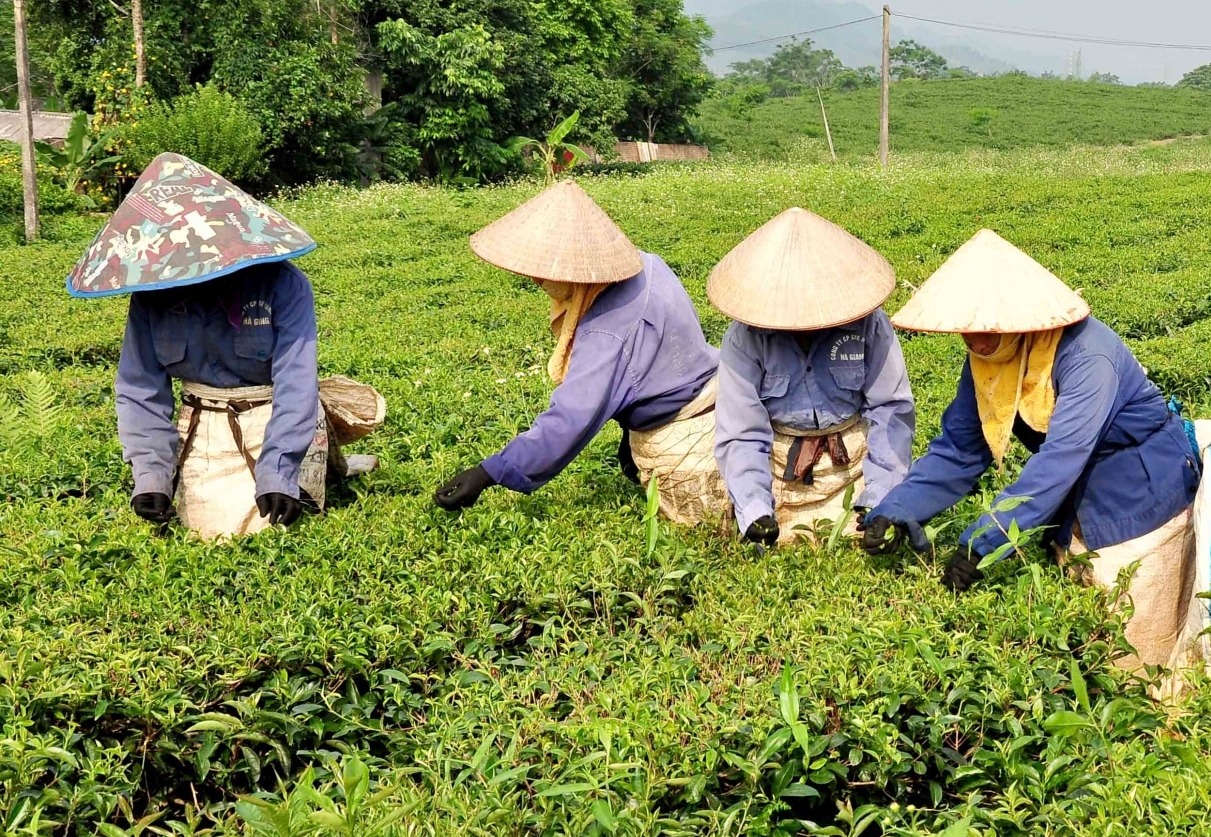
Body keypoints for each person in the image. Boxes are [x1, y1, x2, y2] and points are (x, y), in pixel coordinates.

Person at [861, 229, 1201, 673]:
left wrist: (980, 543)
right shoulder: (990, 356)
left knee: (1136, 653)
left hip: (1142, 498)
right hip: (1075, 501)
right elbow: (961, 448)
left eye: (987, 328)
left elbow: (1059, 460)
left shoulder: (1086, 356)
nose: (977, 341)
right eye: (968, 328)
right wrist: (896, 510)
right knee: (1087, 645)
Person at [71, 151, 382, 540]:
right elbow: (139, 390)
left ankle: (324, 464)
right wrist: (151, 476)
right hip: (204, 423)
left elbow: (296, 382)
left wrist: (279, 471)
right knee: (210, 531)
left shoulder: (284, 284)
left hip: (273, 418)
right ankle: (334, 467)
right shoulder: (152, 297)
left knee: (275, 528)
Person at [433, 181, 719, 515]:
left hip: (684, 427)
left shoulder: (607, 334)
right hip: (712, 387)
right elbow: (650, 358)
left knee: (705, 519)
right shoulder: (650, 264)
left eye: (544, 274)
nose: (538, 282)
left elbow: (571, 418)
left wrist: (488, 472)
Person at [708, 207, 915, 546]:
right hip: (777, 462)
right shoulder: (745, 337)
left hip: (853, 460)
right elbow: (740, 430)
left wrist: (882, 495)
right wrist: (756, 508)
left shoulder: (868, 323)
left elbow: (891, 411)